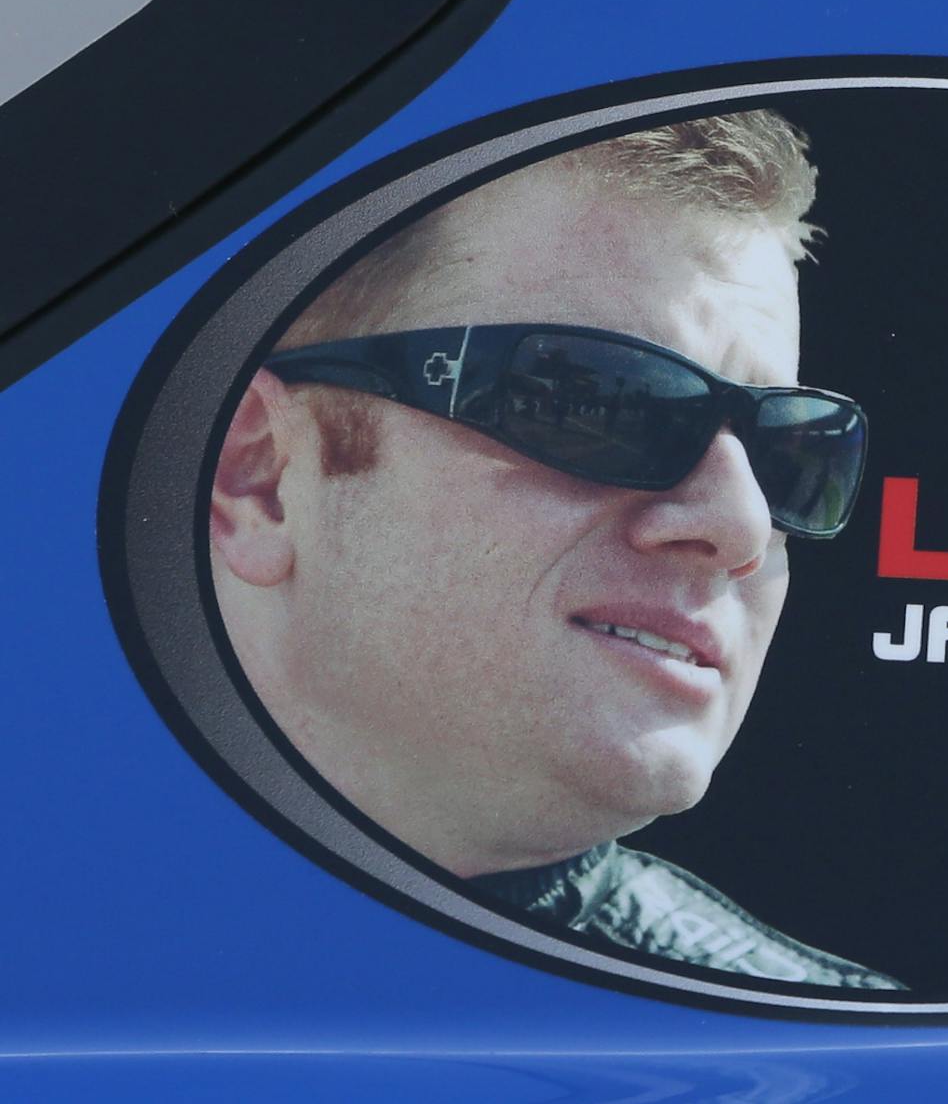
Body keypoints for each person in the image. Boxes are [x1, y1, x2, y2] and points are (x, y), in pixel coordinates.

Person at [208, 110, 897, 989]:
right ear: (263, 477)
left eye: (789, 451)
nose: (742, 524)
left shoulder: (833, 1050)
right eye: (600, 404)